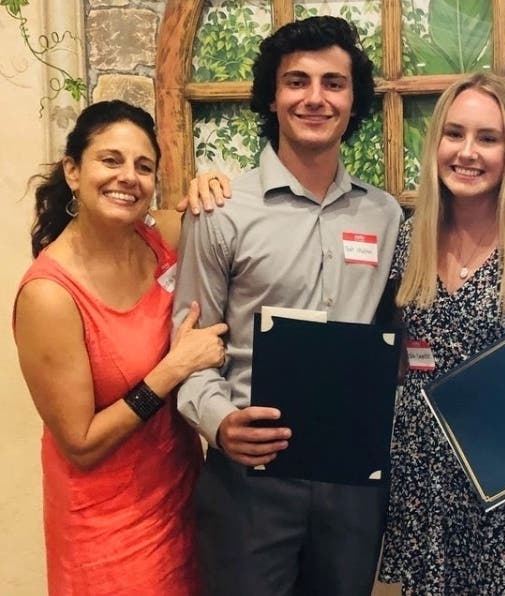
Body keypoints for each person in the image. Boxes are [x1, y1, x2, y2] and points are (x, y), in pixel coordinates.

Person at [172, 16, 403, 596]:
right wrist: (219, 422)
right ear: (272, 98)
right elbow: (187, 345)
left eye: (334, 83)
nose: (315, 98)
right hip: (250, 479)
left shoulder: (386, 216)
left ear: (355, 100)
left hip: (352, 481)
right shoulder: (221, 210)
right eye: (296, 81)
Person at [377, 71, 505, 594]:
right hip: (425, 483)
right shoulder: (411, 237)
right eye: (454, 134)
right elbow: (401, 355)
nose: (467, 152)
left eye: (488, 139)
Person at [12, 100, 228, 595]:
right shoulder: (50, 294)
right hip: (106, 533)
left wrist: (210, 186)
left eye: (143, 166)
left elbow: (214, 222)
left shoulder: (160, 238)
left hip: (184, 502)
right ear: (73, 170)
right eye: (111, 160)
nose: (128, 176)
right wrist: (172, 369)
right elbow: (81, 444)